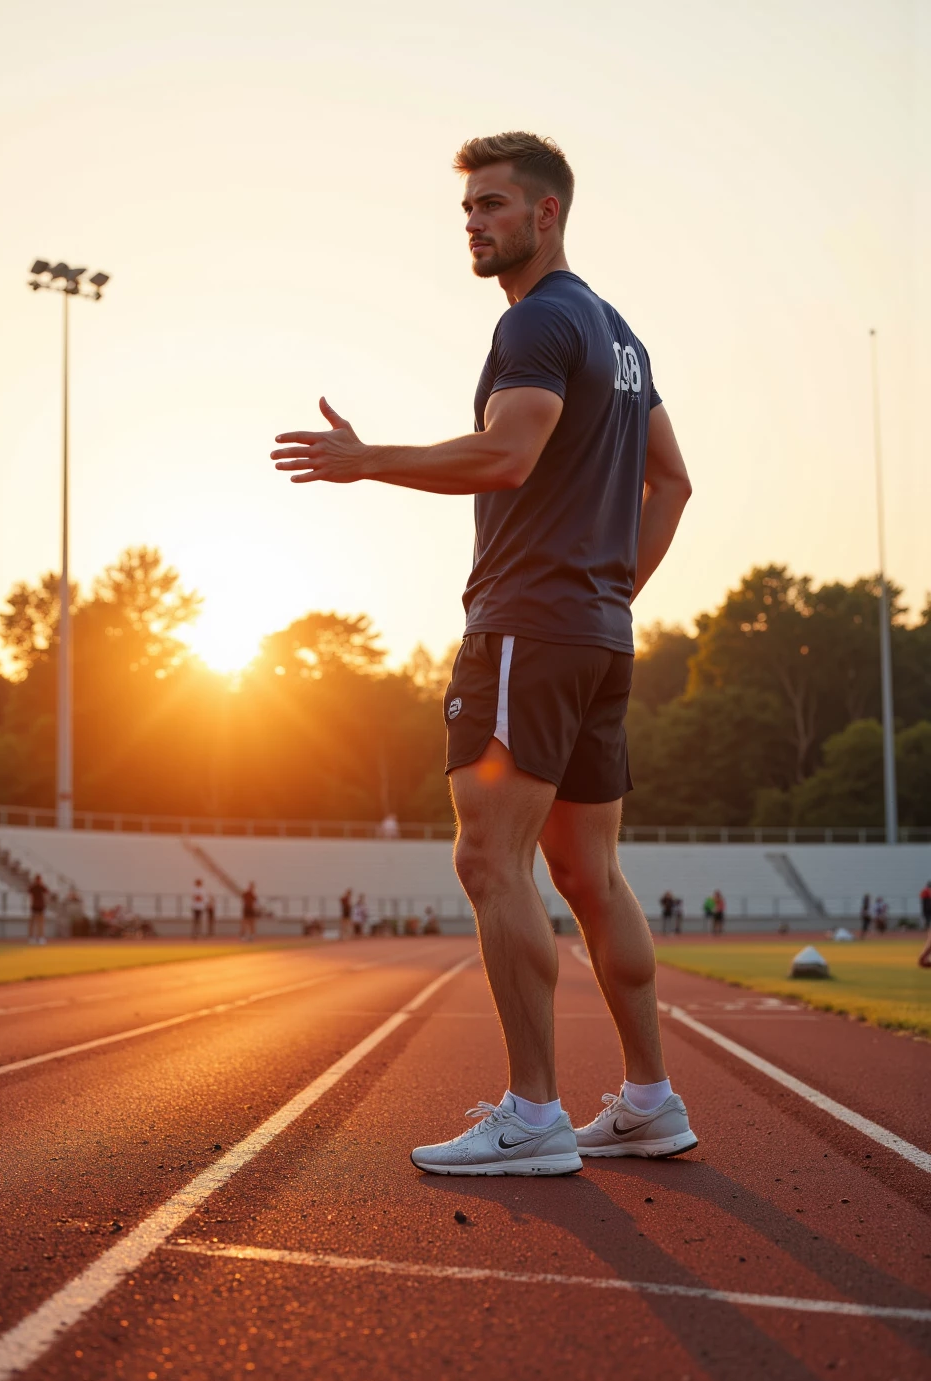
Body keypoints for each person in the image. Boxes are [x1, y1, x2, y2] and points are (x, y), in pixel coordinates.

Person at [273, 131, 695, 1173]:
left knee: (485, 858)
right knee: (590, 874)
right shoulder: (616, 332)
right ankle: (649, 1100)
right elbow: (672, 482)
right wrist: (609, 595)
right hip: (592, 636)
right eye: (468, 208)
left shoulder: (539, 325)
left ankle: (533, 1114)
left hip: (527, 627)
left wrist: (365, 460)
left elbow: (507, 457)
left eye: (493, 206)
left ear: (545, 213)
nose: (474, 223)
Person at [28, 874, 49, 945]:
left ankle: (40, 937)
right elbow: (29, 891)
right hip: (34, 905)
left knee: (41, 923)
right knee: (33, 922)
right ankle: (31, 937)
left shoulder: (41, 886)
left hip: (41, 906)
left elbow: (46, 891)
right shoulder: (34, 887)